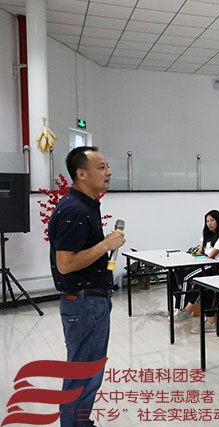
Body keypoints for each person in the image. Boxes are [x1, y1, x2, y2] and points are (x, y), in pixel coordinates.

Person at [48, 146, 126, 427]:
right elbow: (66, 264)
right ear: (81, 174)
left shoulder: (84, 206)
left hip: (89, 301)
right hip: (84, 303)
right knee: (82, 373)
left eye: (108, 166)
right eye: (102, 167)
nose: (109, 172)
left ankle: (80, 422)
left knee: (87, 372)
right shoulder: (75, 209)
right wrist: (105, 245)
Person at [175, 210, 219, 323]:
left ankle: (182, 309)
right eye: (207, 221)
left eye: (212, 220)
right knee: (177, 272)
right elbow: (200, 251)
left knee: (185, 277)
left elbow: (211, 256)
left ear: (218, 221)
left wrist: (200, 257)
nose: (209, 223)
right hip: (202, 264)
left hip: (212, 266)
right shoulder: (206, 236)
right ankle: (183, 308)